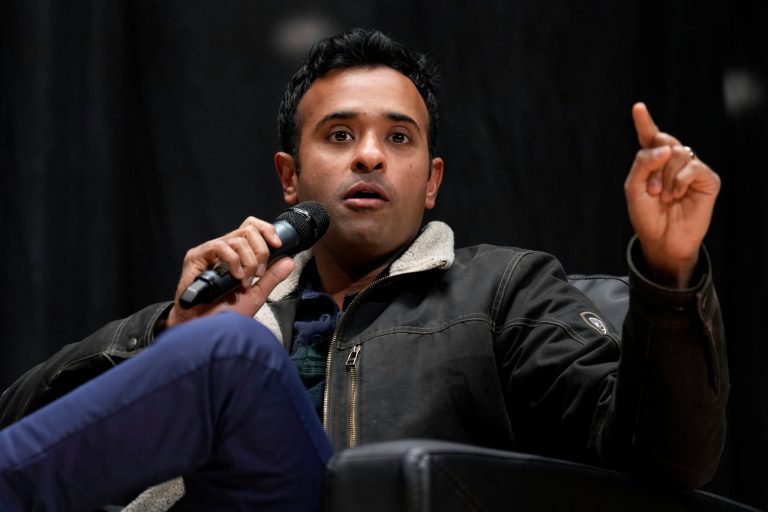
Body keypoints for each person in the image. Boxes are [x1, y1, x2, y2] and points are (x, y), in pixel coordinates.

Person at [0, 27, 727, 511]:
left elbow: (665, 461)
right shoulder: (226, 308)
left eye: (399, 137)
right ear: (290, 177)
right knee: (229, 343)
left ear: (432, 180)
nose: (370, 155)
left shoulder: (502, 291)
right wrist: (169, 332)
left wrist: (668, 272)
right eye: (340, 134)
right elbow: (20, 419)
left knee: (238, 354)